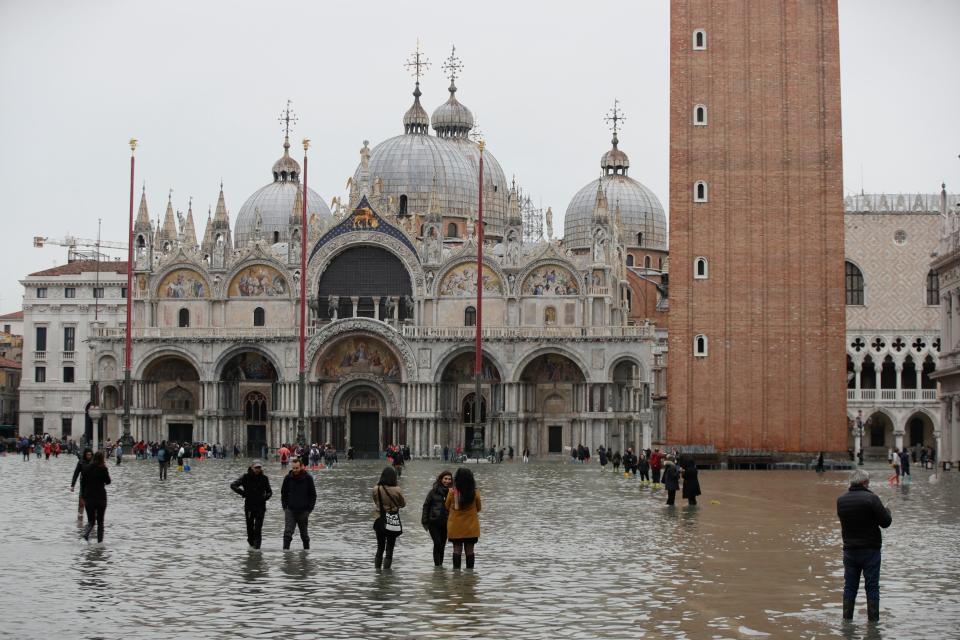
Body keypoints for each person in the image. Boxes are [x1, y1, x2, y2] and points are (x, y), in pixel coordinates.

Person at [837, 469, 892, 622]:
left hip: (849, 551)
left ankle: (847, 620)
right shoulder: (872, 499)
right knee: (872, 587)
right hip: (870, 550)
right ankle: (873, 624)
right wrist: (887, 510)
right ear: (864, 482)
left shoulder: (841, 500)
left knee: (849, 587)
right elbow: (886, 522)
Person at [230, 460, 273, 549]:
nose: (258, 469)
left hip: (260, 507)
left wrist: (265, 497)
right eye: (256, 468)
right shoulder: (245, 477)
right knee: (250, 528)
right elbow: (233, 485)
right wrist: (243, 493)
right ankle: (251, 544)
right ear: (252, 467)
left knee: (258, 529)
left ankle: (257, 550)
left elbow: (269, 492)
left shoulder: (264, 478)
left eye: (259, 468)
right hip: (249, 506)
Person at [446, 467, 481, 569]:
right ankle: (470, 575)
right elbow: (478, 508)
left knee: (456, 549)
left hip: (455, 526)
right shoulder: (475, 493)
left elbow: (446, 506)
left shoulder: (452, 492)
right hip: (471, 527)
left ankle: (456, 575)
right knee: (470, 550)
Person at [372, 466, 406, 569]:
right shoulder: (397, 490)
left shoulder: (376, 488)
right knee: (389, 548)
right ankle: (387, 573)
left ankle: (377, 571)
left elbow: (376, 501)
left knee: (380, 547)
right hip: (392, 520)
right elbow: (403, 504)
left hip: (379, 519)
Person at [280, 458, 316, 550]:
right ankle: (286, 555)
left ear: (301, 467)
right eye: (294, 468)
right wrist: (285, 507)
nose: (295, 470)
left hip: (304, 511)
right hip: (290, 510)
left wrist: (309, 509)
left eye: (297, 468)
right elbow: (283, 493)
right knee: (287, 533)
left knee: (304, 536)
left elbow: (313, 495)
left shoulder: (308, 478)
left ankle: (306, 555)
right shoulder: (288, 478)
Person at [421, 470, 452, 566]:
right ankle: (437, 566)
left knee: (442, 545)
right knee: (437, 543)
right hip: (433, 522)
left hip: (446, 523)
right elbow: (426, 506)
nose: (447, 481)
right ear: (440, 479)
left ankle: (440, 568)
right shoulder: (433, 492)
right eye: (445, 479)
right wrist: (425, 521)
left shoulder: (452, 493)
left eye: (449, 479)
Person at [80, 452, 111, 543]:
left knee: (91, 521)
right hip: (101, 497)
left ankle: (86, 534)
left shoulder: (86, 469)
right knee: (100, 522)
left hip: (89, 497)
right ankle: (100, 543)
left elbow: (82, 483)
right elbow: (108, 481)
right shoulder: (103, 469)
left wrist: (82, 496)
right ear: (102, 459)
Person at [71, 447, 93, 522]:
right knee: (81, 501)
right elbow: (76, 473)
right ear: (85, 455)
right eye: (87, 455)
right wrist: (72, 485)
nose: (89, 456)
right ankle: (80, 519)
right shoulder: (81, 462)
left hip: (93, 485)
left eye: (90, 455)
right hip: (83, 484)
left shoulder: (94, 462)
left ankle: (93, 519)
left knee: (93, 502)